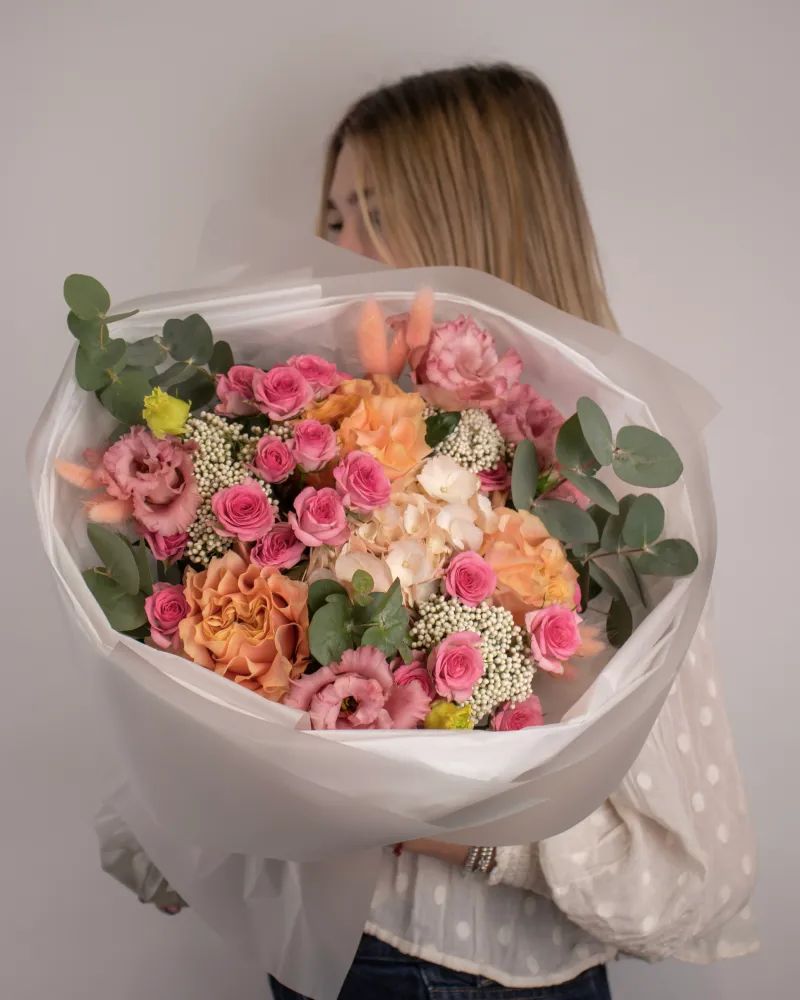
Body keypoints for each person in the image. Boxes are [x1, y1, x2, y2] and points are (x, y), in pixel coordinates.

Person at [97, 64, 759, 1000]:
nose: (336, 247)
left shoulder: (602, 483)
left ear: (472, 227)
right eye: (332, 215)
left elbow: (693, 875)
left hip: (476, 979)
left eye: (374, 212)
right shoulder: (300, 447)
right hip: (318, 965)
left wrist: (441, 825)